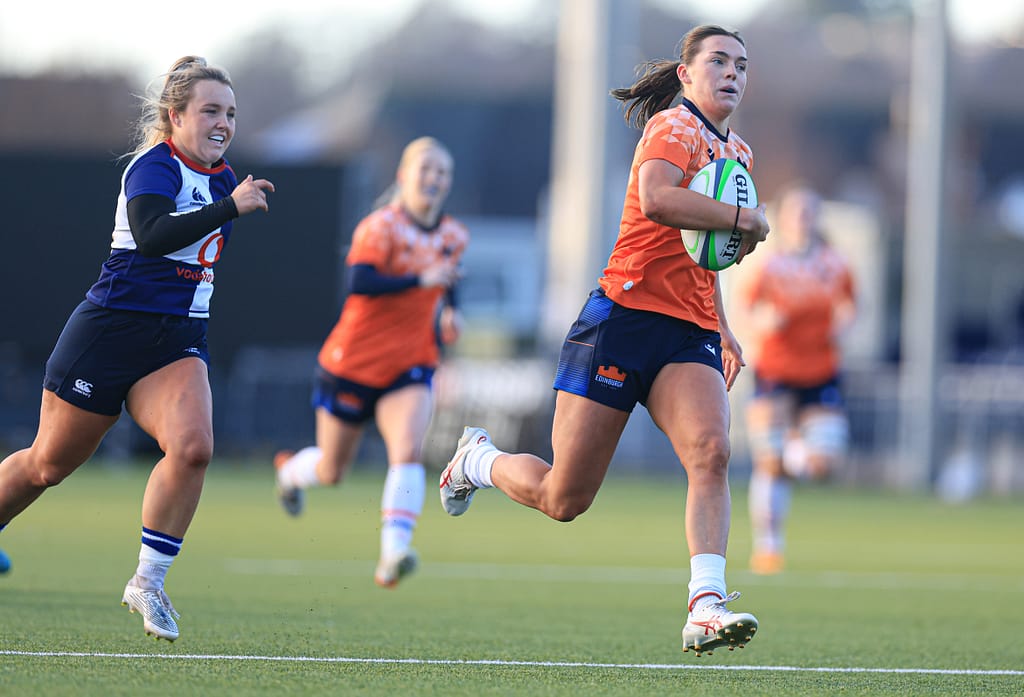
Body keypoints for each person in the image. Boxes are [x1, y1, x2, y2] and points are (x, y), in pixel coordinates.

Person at [438, 24, 769, 657]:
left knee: (712, 451)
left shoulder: (742, 156)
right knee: (565, 498)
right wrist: (741, 218)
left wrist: (723, 325)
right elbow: (658, 200)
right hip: (620, 320)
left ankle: (706, 603)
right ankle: (477, 460)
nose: (733, 73)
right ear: (687, 75)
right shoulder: (673, 129)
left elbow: (708, 256)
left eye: (742, 65)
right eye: (719, 61)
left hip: (689, 330)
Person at [0, 56, 274, 641]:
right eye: (209, 110)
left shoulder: (226, 178)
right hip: (110, 334)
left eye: (230, 112)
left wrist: (229, 200)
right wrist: (229, 207)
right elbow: (151, 238)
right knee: (47, 464)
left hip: (176, 342)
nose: (223, 122)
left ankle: (149, 582)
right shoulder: (154, 167)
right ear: (174, 116)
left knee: (195, 448)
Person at [273, 137, 467, 589]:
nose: (435, 178)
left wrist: (452, 309)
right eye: (427, 169)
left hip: (411, 363)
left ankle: (393, 553)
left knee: (408, 451)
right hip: (351, 364)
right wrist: (422, 280)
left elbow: (449, 276)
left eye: (443, 172)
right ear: (403, 176)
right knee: (331, 471)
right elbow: (360, 281)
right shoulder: (380, 228)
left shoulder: (454, 234)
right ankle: (289, 472)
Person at [734, 184, 856, 575]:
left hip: (821, 370)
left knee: (824, 465)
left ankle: (793, 447)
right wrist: (763, 322)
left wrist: (844, 322)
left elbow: (851, 303)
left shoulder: (835, 264)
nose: (802, 219)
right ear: (783, 220)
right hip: (776, 369)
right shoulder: (768, 265)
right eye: (796, 212)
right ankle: (768, 547)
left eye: (809, 212)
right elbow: (745, 309)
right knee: (768, 464)